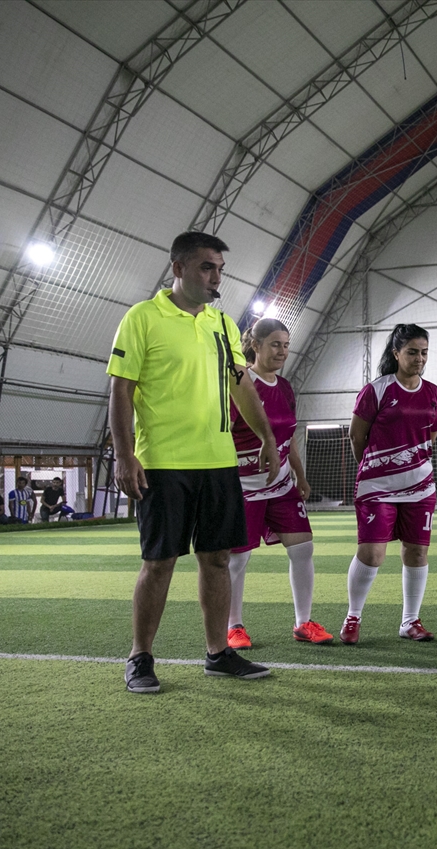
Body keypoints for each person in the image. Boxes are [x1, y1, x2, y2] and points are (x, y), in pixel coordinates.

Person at [108, 231, 280, 693]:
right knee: (159, 561)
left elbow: (241, 385)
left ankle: (218, 653)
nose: (216, 277)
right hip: (163, 462)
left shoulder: (223, 324)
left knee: (218, 559)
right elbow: (120, 389)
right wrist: (125, 455)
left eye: (220, 269)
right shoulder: (142, 318)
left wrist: (266, 436)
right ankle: (139, 658)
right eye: (207, 267)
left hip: (218, 462)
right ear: (178, 268)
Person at [225, 318, 334, 650]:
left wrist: (300, 476)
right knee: (238, 559)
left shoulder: (285, 387)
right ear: (255, 345)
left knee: (303, 548)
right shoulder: (238, 382)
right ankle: (234, 627)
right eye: (275, 344)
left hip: (283, 484)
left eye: (286, 345)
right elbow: (221, 434)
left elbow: (290, 439)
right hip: (244, 486)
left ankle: (303, 623)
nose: (282, 351)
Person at [341, 323, 437, 645]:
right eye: (412, 352)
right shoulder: (377, 389)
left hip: (420, 486)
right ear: (396, 353)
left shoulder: (432, 393)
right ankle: (353, 617)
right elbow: (356, 435)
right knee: (371, 554)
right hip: (377, 487)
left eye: (424, 352)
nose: (419, 359)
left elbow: (431, 437)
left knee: (416, 552)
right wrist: (375, 468)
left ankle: (410, 621)